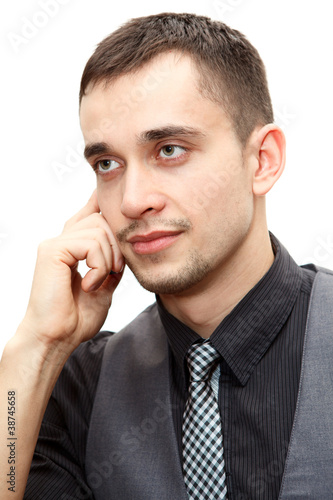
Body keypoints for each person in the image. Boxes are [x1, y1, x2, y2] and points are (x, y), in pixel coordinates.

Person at [0, 12, 332, 500]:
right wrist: (37, 346)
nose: (132, 200)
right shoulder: (76, 389)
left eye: (170, 149)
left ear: (262, 161)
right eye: (107, 164)